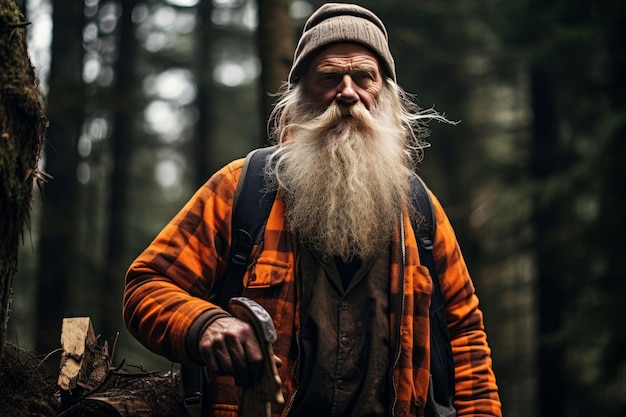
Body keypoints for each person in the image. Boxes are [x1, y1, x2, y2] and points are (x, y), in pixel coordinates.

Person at [123, 3, 502, 417]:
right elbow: (147, 286)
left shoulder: (419, 209)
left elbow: (466, 338)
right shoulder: (243, 189)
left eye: (363, 77)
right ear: (301, 93)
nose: (348, 92)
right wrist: (205, 324)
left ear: (385, 93)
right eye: (329, 77)